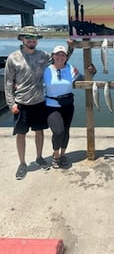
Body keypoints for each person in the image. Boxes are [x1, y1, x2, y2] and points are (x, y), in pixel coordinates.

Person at [4, 26, 73, 180]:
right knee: (21, 134)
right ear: (22, 38)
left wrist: (70, 46)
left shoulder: (43, 55)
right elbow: (8, 82)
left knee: (39, 131)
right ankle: (22, 163)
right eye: (28, 37)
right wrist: (11, 103)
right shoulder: (13, 58)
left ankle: (39, 157)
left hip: (39, 101)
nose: (31, 40)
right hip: (21, 102)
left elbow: (61, 59)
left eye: (34, 37)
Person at [44, 45, 83, 169]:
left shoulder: (71, 68)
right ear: (53, 55)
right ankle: (56, 157)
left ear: (66, 57)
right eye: (57, 54)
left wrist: (92, 71)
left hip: (68, 104)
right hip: (51, 105)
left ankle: (63, 154)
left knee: (66, 131)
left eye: (63, 55)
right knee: (58, 131)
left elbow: (83, 79)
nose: (60, 57)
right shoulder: (45, 69)